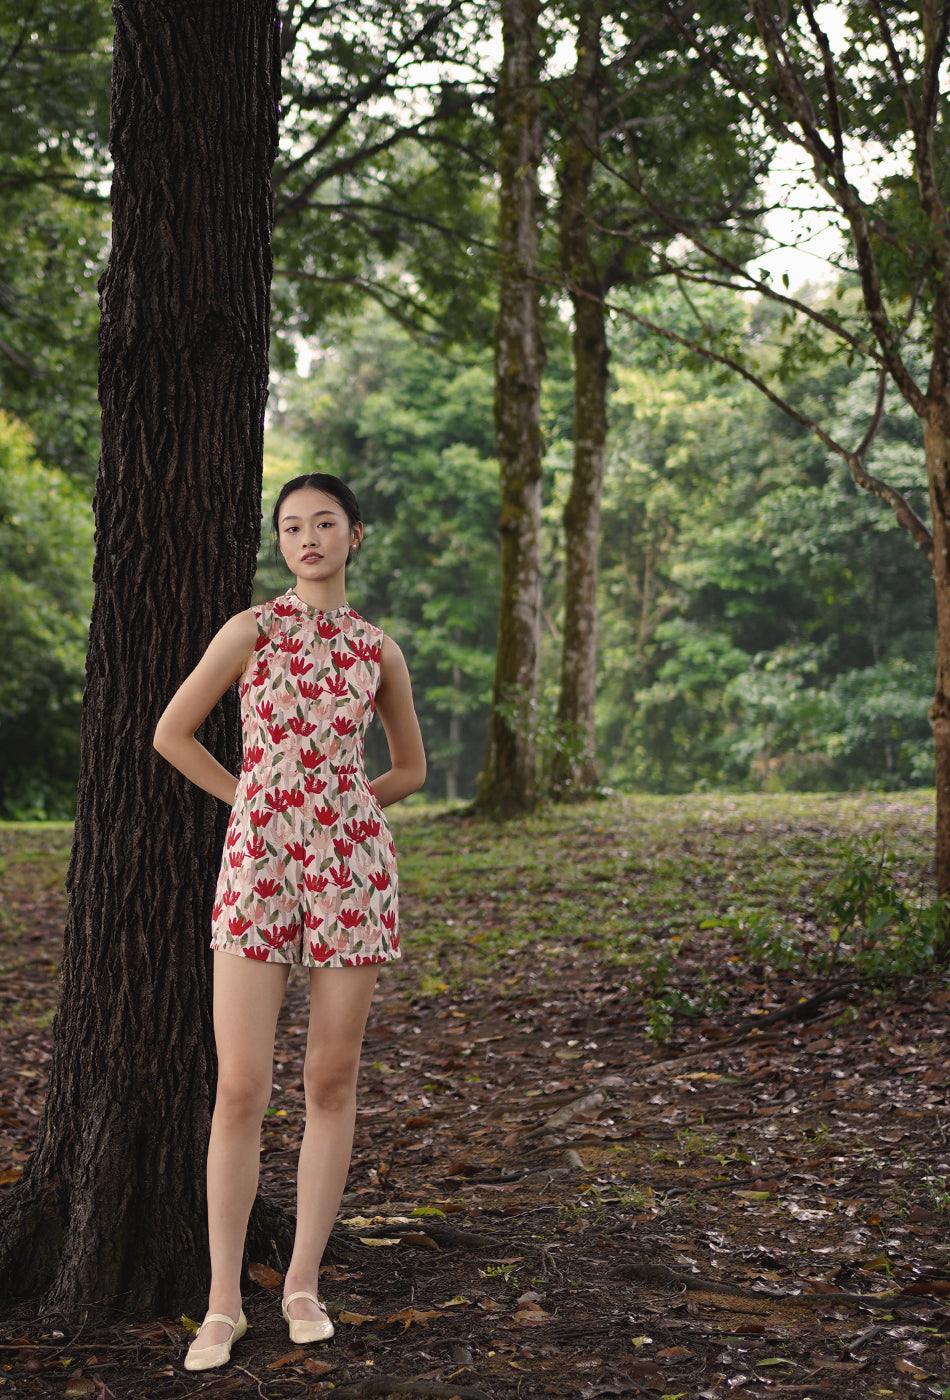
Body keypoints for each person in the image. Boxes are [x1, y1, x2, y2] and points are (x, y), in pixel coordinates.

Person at [154, 473, 426, 1372]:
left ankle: (304, 1282)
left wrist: (346, 809)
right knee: (240, 1087)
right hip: (257, 870)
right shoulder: (250, 631)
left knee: (330, 1080)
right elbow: (173, 733)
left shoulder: (377, 650)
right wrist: (255, 802)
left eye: (325, 524)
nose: (306, 538)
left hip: (351, 872)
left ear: (357, 537)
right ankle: (223, 1302)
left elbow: (411, 770)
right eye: (291, 527)